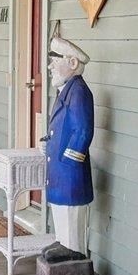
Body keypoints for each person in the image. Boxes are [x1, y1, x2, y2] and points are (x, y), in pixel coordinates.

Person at [44, 31, 94, 253]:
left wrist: (68, 162)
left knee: (72, 229)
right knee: (61, 223)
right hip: (59, 176)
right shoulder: (65, 91)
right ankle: (63, 258)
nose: (50, 67)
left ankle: (74, 266)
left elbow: (83, 130)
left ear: (72, 63)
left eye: (54, 61)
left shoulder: (79, 92)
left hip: (70, 176)